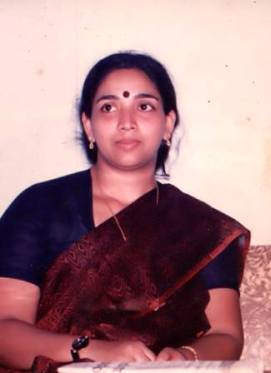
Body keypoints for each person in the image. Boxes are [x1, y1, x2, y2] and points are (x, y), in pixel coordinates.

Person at [0, 52, 250, 371]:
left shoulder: (204, 228)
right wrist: (92, 351)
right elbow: (4, 328)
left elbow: (226, 334)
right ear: (88, 126)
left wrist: (184, 357)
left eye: (144, 106)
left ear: (167, 124)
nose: (126, 122)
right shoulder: (38, 206)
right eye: (108, 107)